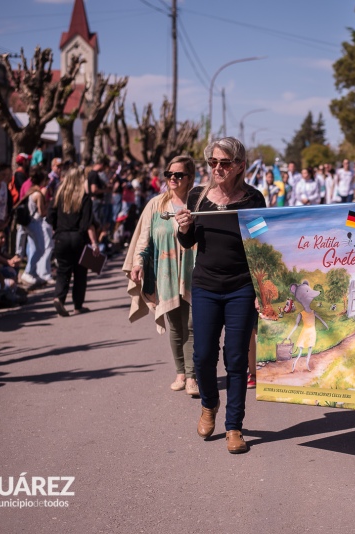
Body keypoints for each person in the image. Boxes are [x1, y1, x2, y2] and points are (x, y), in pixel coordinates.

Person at [175, 137, 266, 454]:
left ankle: (234, 427)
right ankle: (209, 405)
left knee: (237, 359)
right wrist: (184, 228)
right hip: (206, 286)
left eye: (224, 163)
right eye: (212, 162)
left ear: (240, 165)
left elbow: (261, 247)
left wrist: (261, 289)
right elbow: (187, 244)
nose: (217, 168)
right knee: (202, 356)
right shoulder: (198, 197)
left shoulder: (254, 199)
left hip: (241, 287)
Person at [126, 155, 199, 396]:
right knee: (176, 325)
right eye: (169, 175)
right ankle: (180, 371)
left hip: (193, 270)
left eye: (179, 175)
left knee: (192, 325)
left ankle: (191, 376)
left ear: (190, 178)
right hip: (166, 271)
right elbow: (144, 239)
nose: (173, 179)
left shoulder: (199, 203)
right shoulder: (155, 205)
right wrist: (137, 263)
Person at [46, 167, 100, 317]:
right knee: (80, 273)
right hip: (78, 238)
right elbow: (88, 223)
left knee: (63, 271)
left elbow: (50, 217)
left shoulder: (58, 195)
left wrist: (57, 230)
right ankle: (78, 305)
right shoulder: (84, 197)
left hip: (61, 237)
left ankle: (59, 298)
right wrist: (94, 243)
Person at [19, 170, 48, 286]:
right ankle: (28, 272)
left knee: (33, 248)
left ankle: (33, 273)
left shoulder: (31, 191)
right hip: (35, 222)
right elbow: (42, 212)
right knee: (40, 249)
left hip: (29, 222)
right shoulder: (39, 194)